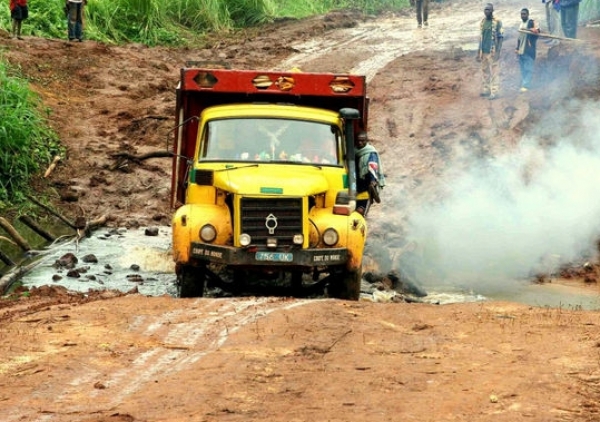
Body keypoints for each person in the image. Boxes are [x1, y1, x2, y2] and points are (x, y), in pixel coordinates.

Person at [355, 131, 385, 217]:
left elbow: (372, 166)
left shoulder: (370, 152)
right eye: (358, 141)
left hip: (365, 185)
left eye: (362, 140)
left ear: (366, 140)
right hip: (356, 184)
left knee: (360, 211)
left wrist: (372, 180)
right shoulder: (355, 151)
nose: (360, 143)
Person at [478, 3, 504, 100]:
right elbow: (480, 38)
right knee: (485, 71)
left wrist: (498, 52)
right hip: (484, 51)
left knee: (494, 72)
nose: (486, 11)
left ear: (492, 10)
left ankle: (495, 91)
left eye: (488, 9)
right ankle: (486, 89)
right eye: (485, 9)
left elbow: (501, 37)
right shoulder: (482, 22)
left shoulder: (497, 22)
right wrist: (478, 52)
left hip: (492, 51)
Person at [516, 8, 540, 92]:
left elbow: (537, 31)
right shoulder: (521, 24)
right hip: (521, 51)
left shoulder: (530, 22)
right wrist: (517, 48)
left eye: (524, 14)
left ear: (528, 14)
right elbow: (519, 38)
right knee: (523, 68)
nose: (523, 15)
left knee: (528, 68)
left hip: (529, 50)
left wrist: (535, 30)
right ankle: (524, 82)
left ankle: (526, 85)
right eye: (521, 14)